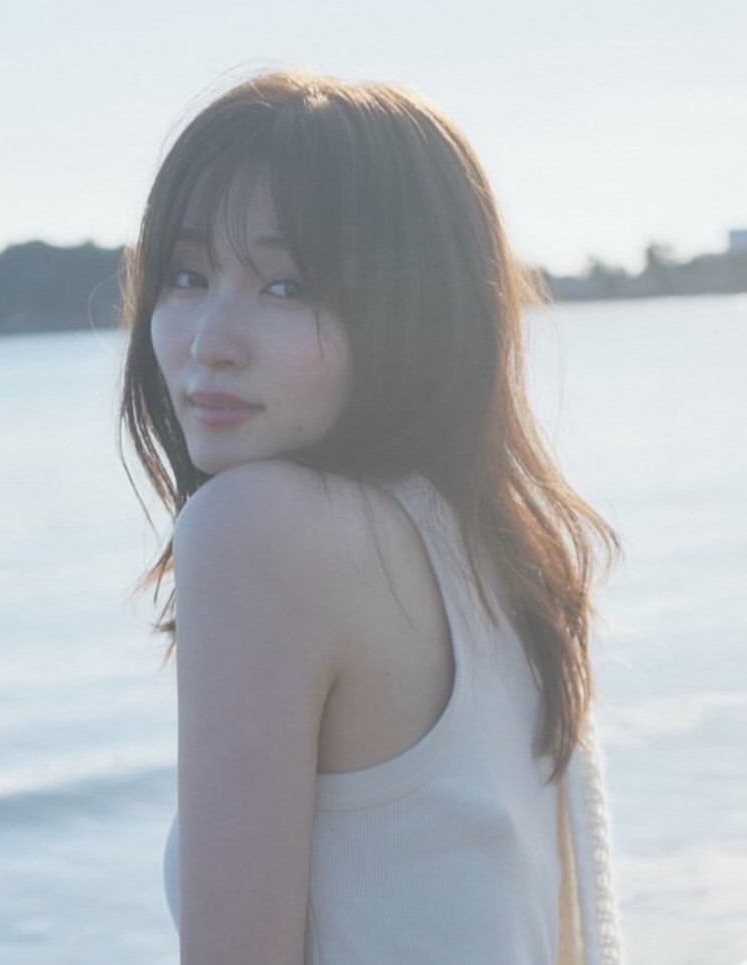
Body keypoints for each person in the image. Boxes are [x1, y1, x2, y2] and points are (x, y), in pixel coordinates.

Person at [120, 71, 623, 965]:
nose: (209, 342)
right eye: (188, 275)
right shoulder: (510, 556)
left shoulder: (255, 530)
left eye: (287, 287)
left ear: (413, 308)